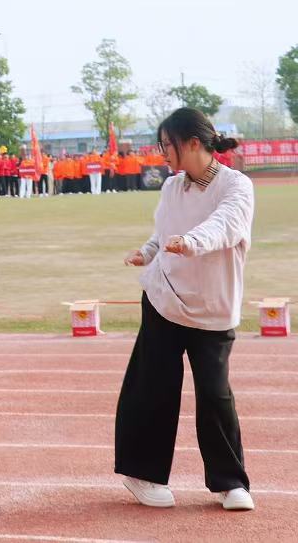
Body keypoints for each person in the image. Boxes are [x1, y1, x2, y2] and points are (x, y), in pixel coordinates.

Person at [115, 108, 253, 512]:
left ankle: (230, 483)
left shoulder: (235, 186)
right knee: (153, 385)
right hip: (164, 297)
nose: (163, 153)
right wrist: (147, 252)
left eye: (167, 145)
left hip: (212, 305)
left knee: (215, 392)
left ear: (194, 143)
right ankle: (142, 474)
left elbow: (225, 225)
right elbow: (162, 234)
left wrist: (190, 242)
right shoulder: (172, 186)